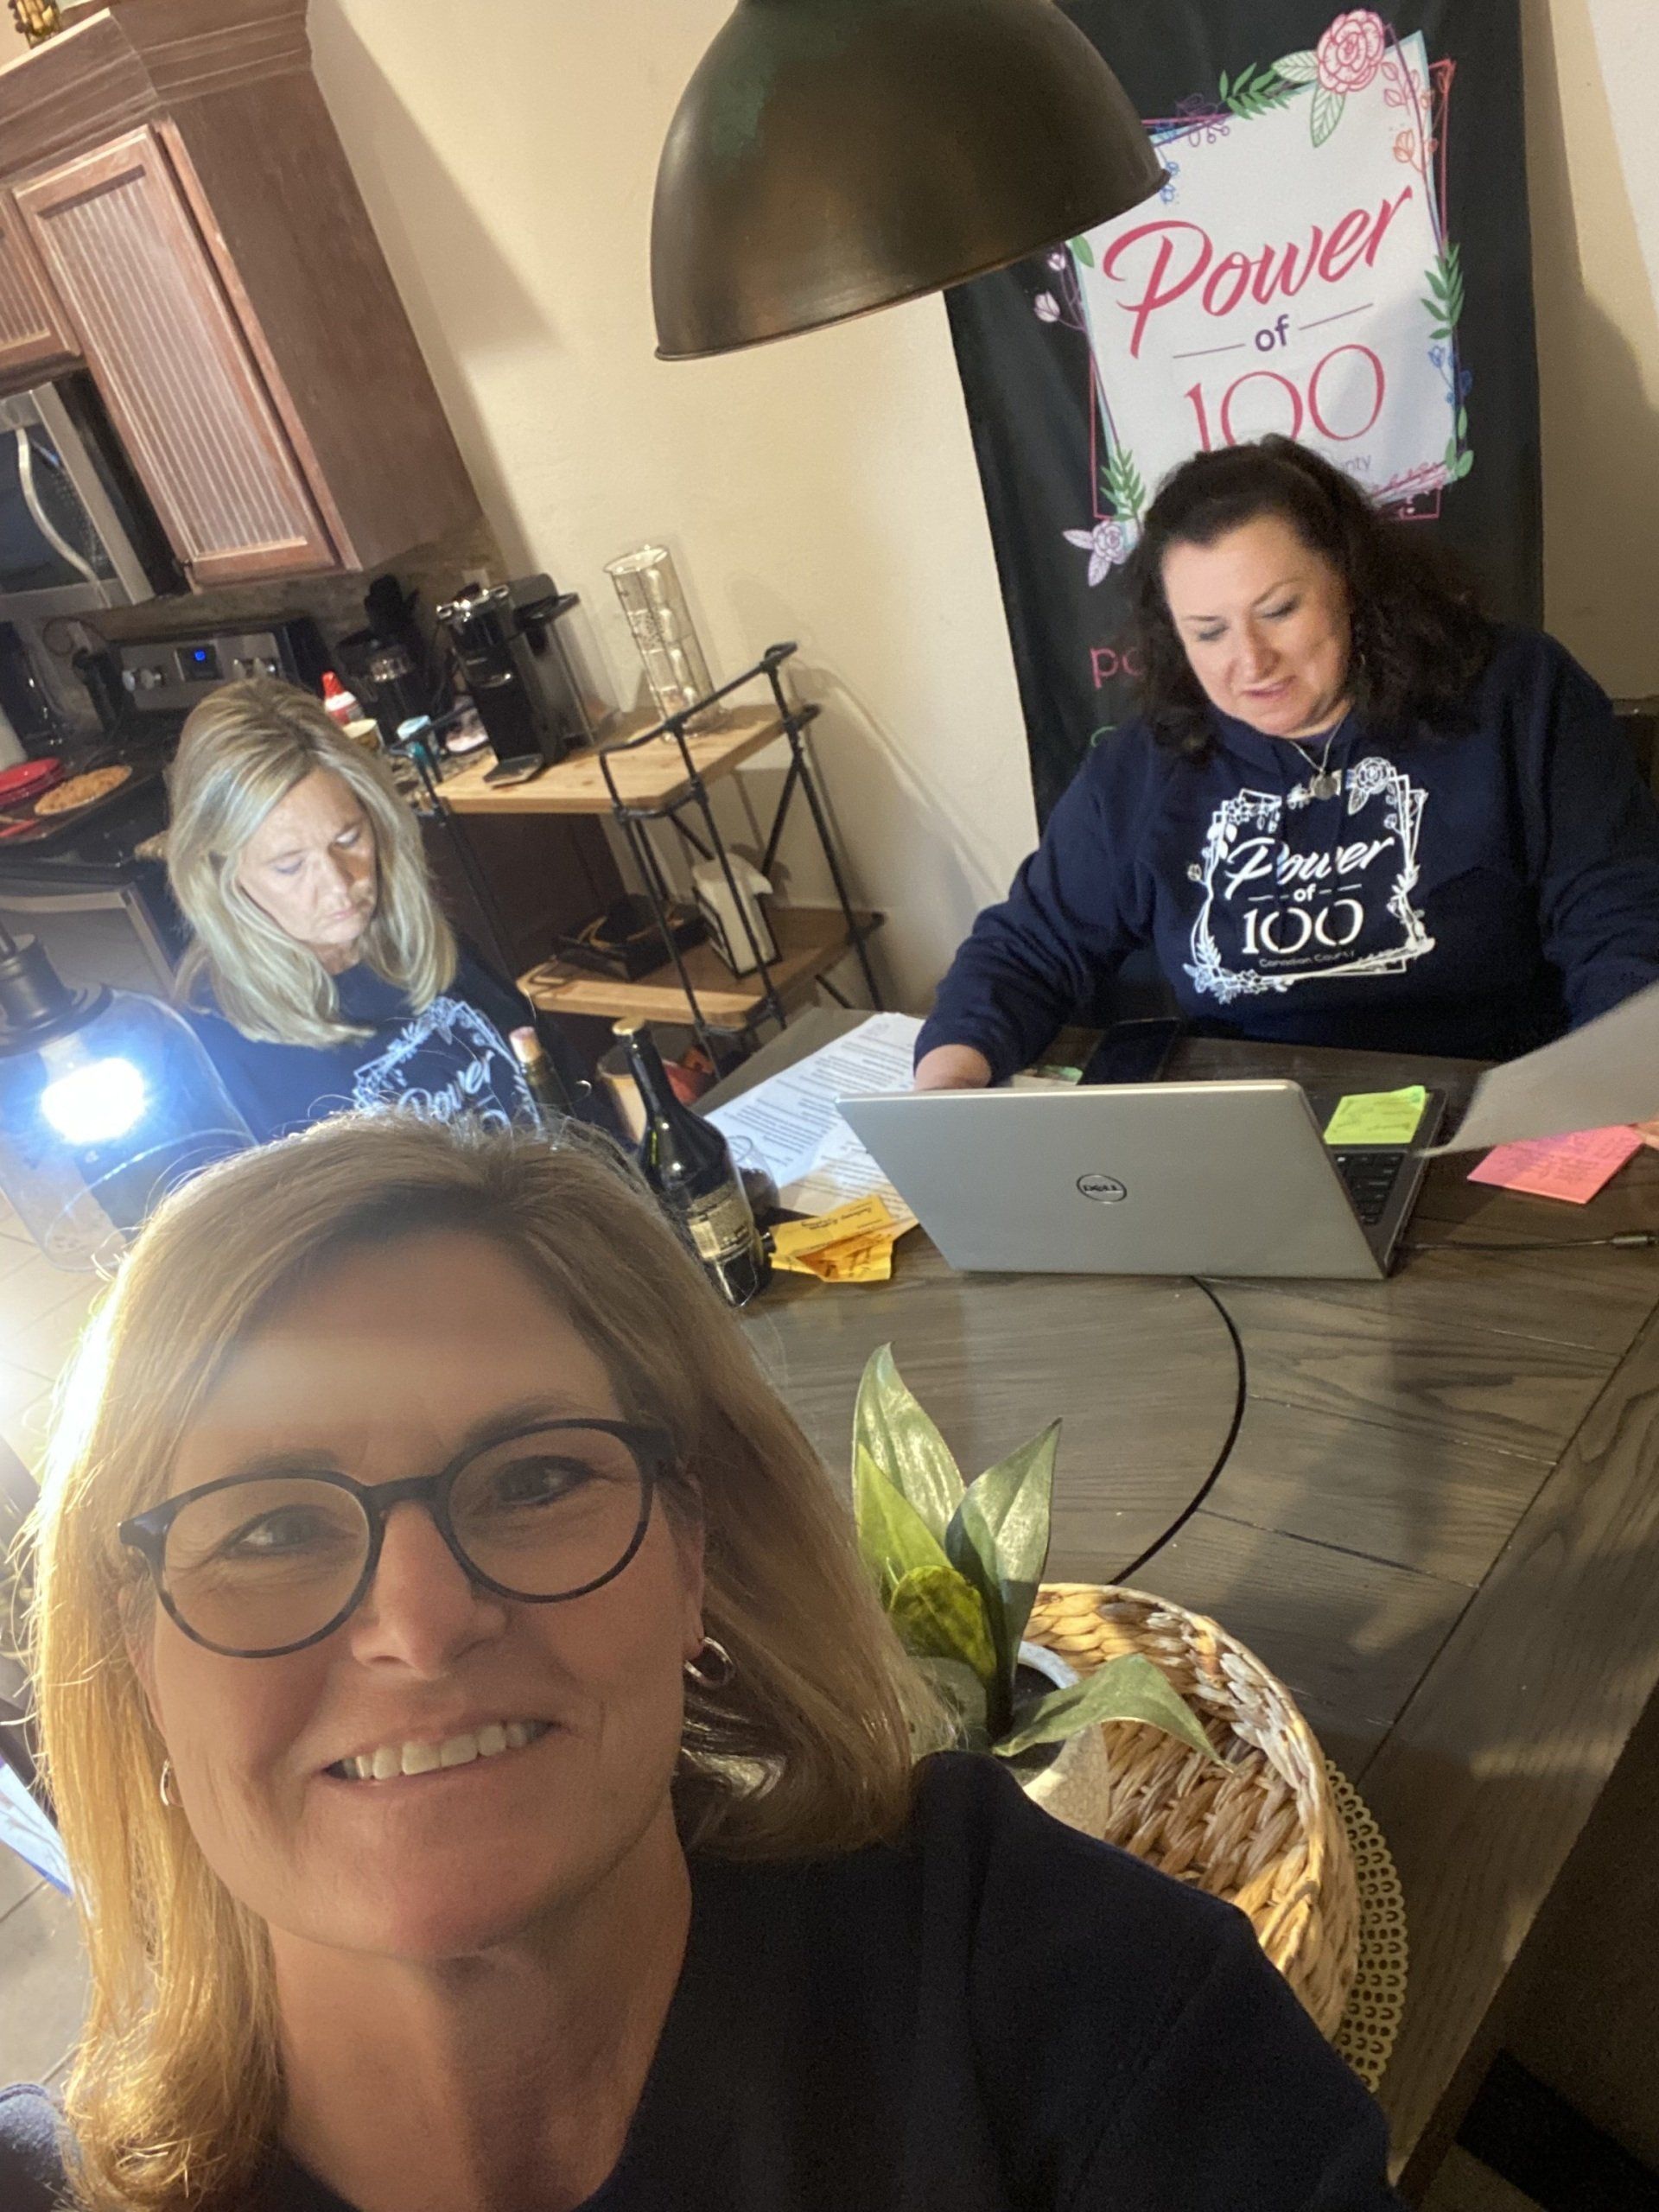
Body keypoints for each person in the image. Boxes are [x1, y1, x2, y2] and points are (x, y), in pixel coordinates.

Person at [6, 1114, 1400, 2212]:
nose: (420, 1627)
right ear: (130, 1654)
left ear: (696, 1552)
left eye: (537, 1477)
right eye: (270, 1529)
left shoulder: (1046, 1991)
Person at [916, 436, 1659, 1088]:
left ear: (1351, 581)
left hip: (1489, 1096)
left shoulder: (1517, 693)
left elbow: (1617, 913)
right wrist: (945, 1087)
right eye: (1207, 633)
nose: (1250, 661)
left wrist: (1624, 1079)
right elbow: (1029, 947)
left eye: (1278, 611)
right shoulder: (1146, 765)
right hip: (1256, 1127)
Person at [165, 677, 552, 1141]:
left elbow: (551, 1077)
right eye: (290, 867)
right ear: (220, 871)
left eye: (348, 839)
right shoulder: (216, 1048)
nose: (339, 886)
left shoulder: (408, 933)